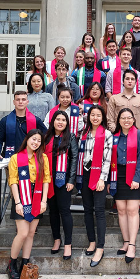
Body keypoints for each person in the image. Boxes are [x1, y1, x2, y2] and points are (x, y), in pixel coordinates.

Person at [6, 129, 50, 279]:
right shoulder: (16, 158)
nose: (36, 142)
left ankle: (25, 264)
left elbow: (46, 180)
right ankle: (12, 264)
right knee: (23, 233)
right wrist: (17, 202)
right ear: (27, 139)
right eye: (33, 139)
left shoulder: (43, 158)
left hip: (37, 196)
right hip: (21, 196)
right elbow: (13, 181)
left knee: (31, 233)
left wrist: (44, 200)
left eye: (39, 140)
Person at [108, 108, 140, 263]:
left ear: (133, 119)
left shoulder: (139, 134)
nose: (126, 120)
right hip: (117, 175)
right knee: (121, 210)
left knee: (132, 210)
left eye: (129, 118)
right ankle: (125, 242)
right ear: (118, 120)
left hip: (134, 175)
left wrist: (137, 178)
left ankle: (132, 244)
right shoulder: (114, 136)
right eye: (123, 118)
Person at [77, 105, 113, 267]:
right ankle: (91, 241)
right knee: (87, 209)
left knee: (99, 211)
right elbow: (79, 155)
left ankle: (100, 246)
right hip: (85, 174)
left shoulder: (106, 134)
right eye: (93, 115)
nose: (95, 118)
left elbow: (107, 159)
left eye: (98, 115)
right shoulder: (83, 134)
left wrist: (102, 179)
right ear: (88, 117)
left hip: (99, 176)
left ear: (102, 117)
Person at [44, 111, 78, 260]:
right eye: (58, 119)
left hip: (63, 181)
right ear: (53, 121)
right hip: (48, 180)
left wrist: (71, 180)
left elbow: (74, 158)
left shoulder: (70, 137)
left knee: (65, 211)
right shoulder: (46, 137)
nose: (60, 122)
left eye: (63, 120)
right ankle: (57, 239)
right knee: (53, 211)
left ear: (66, 123)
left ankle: (68, 244)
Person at [0, 91, 46, 160]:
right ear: (14, 102)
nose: (20, 102)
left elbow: (46, 136)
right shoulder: (5, 121)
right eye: (18, 99)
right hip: (10, 159)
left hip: (31, 160)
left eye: (23, 99)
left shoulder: (36, 121)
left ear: (27, 102)